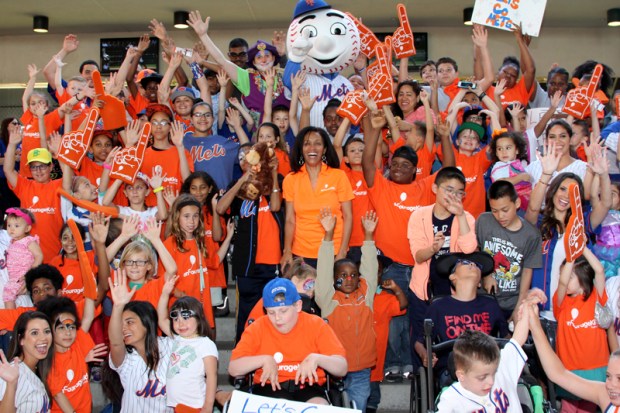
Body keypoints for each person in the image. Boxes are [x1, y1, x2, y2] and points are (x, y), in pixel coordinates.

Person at [524, 142, 611, 316]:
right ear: (554, 191)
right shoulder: (540, 223)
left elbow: (606, 204)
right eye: (562, 189)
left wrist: (603, 174)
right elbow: (532, 209)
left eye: (573, 191)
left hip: (574, 312)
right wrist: (547, 174)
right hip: (541, 308)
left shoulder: (583, 223)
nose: (565, 195)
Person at [228, 278, 347, 405]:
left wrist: (317, 358)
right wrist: (264, 360)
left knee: (319, 405)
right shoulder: (257, 328)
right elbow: (233, 369)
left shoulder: (316, 325)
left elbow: (342, 368)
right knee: (281, 405)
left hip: (309, 386)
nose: (277, 318)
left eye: (283, 311)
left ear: (298, 306)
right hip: (269, 387)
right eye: (271, 312)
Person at [408, 167, 478, 367]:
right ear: (435, 188)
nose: (454, 196)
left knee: (453, 341)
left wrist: (461, 216)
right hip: (424, 290)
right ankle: (422, 386)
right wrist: (433, 248)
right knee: (421, 340)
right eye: (449, 190)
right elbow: (418, 256)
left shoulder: (467, 217)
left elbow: (469, 250)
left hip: (454, 291)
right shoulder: (419, 216)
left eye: (459, 192)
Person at [315, 209, 378, 411]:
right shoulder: (328, 299)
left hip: (362, 369)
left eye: (353, 275)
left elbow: (370, 267)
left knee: (357, 407)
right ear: (334, 279)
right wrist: (328, 235)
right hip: (335, 370)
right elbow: (324, 268)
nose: (349, 279)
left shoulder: (365, 295)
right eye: (343, 275)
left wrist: (368, 236)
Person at [414, 252, 508, 375]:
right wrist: (425, 355)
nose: (472, 264)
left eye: (477, 265)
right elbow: (419, 342)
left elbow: (506, 338)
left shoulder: (491, 305)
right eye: (464, 263)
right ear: (453, 277)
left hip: (486, 367)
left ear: (479, 282)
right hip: (452, 370)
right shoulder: (439, 307)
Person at [526, 292, 620, 413]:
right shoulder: (605, 395)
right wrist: (535, 325)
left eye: (619, 378)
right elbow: (558, 374)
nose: (611, 385)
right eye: (608, 376)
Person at [281, 127, 354, 268]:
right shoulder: (291, 179)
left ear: (325, 149)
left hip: (334, 251)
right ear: (301, 148)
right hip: (301, 254)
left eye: (317, 143)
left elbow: (348, 216)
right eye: (307, 143)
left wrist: (342, 252)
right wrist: (287, 250)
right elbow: (290, 219)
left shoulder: (338, 176)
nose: (312, 148)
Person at [435, 311, 529, 413]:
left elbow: (518, 339)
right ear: (461, 376)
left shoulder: (501, 367)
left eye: (493, 373)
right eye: (482, 377)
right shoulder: (451, 399)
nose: (491, 382)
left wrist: (528, 307)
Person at [108, 270, 174, 413]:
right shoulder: (127, 359)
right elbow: (115, 343)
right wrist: (118, 305)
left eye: (130, 322)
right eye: (121, 323)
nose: (123, 328)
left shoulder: (169, 345)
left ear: (147, 322)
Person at [478, 181, 542, 322]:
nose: (500, 216)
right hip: (484, 299)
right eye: (494, 211)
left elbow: (527, 271)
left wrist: (520, 306)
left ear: (517, 203)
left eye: (505, 210)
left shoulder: (531, 235)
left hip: (512, 301)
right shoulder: (483, 221)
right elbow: (476, 252)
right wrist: (486, 275)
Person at [554, 248, 609, 412]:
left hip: (596, 369)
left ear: (583, 278)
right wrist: (570, 257)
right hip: (570, 370)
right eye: (561, 274)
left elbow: (599, 270)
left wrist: (582, 248)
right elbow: (563, 283)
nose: (562, 279)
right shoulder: (561, 303)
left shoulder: (597, 298)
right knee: (568, 409)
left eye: (569, 275)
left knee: (588, 409)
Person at [3, 124, 63, 262]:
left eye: (42, 166)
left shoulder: (58, 185)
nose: (38, 170)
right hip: (28, 258)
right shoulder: (25, 186)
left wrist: (59, 152)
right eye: (34, 167)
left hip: (56, 254)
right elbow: (8, 170)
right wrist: (12, 144)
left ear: (51, 166)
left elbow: (69, 172)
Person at [36, 296, 105, 413]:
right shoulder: (49, 360)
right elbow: (58, 395)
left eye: (72, 327)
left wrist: (89, 285)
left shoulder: (77, 343)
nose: (68, 333)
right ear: (49, 330)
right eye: (61, 327)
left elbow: (88, 317)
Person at [157, 284, 218, 412]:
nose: (180, 323)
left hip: (196, 405)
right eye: (176, 318)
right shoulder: (176, 339)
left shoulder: (205, 344)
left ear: (199, 318)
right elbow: (162, 319)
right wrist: (165, 294)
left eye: (185, 317)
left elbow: (211, 376)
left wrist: (208, 405)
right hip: (175, 406)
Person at [183, 101, 248, 191]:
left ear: (213, 119)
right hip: (194, 200)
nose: (203, 118)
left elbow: (248, 153)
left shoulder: (223, 142)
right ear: (191, 119)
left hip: (222, 200)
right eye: (198, 114)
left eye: (207, 115)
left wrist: (237, 127)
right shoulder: (182, 143)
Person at [0, 311, 53, 413]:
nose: (43, 338)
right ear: (21, 339)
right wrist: (11, 384)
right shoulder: (12, 374)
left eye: (47, 331)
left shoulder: (35, 368)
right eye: (34, 333)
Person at [3, 208, 43, 309]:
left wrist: (31, 272)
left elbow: (39, 255)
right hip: (13, 278)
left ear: (27, 228)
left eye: (16, 226)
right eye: (9, 225)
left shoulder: (28, 241)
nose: (12, 229)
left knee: (8, 295)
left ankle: (10, 316)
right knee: (8, 294)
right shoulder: (12, 242)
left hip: (22, 276)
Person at [489, 131, 532, 211]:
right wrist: (520, 177)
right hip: (511, 206)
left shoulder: (519, 163)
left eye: (508, 148)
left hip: (526, 202)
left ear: (517, 150)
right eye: (499, 149)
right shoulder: (499, 166)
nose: (504, 152)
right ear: (496, 153)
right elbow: (501, 183)